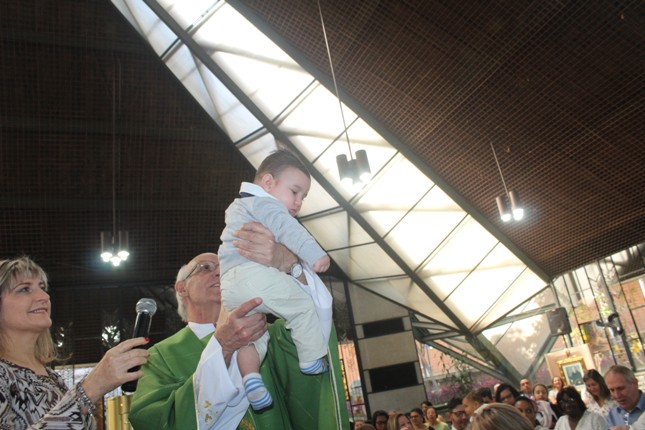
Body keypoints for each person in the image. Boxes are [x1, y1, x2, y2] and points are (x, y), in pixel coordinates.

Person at [129, 225, 347, 429]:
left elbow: (314, 318)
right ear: (181, 288)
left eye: (225, 268)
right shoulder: (158, 358)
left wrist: (291, 265)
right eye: (205, 268)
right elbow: (156, 420)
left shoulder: (269, 334)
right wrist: (222, 347)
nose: (219, 273)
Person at [218, 149, 331, 410]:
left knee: (252, 335)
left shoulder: (240, 206)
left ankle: (252, 379)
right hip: (253, 274)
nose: (299, 202)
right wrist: (316, 255)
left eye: (303, 197)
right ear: (268, 183)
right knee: (301, 307)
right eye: (295, 191)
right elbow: (289, 230)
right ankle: (311, 359)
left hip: (230, 286)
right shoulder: (265, 204)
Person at [0, 256, 149, 429]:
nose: (44, 296)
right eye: (24, 289)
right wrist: (91, 387)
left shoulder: (54, 378)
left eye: (42, 288)